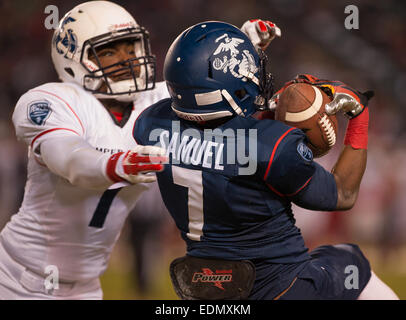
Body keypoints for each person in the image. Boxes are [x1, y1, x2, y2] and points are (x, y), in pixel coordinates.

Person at [0, 1, 279, 299]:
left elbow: (202, 78)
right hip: (15, 279)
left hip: (86, 289)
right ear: (73, 59)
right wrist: (115, 165)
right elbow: (70, 158)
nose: (127, 58)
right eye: (109, 51)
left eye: (131, 46)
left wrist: (235, 44)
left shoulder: (152, 102)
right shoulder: (52, 100)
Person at [133, 21, 399, 300]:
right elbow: (342, 193)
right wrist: (359, 115)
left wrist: (264, 116)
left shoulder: (151, 125)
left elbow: (217, 136)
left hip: (204, 286)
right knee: (349, 258)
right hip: (278, 286)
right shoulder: (273, 146)